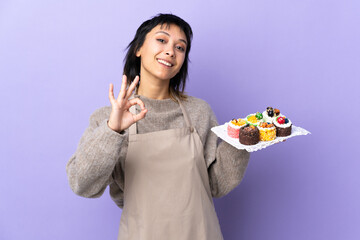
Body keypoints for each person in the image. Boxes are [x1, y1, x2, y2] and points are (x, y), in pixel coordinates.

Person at [66, 13, 250, 240]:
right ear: (138, 48)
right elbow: (80, 184)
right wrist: (112, 130)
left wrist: (242, 143)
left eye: (180, 47)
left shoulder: (199, 112)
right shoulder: (108, 117)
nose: (171, 51)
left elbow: (215, 185)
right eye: (162, 40)